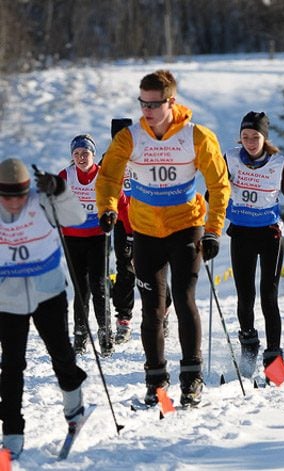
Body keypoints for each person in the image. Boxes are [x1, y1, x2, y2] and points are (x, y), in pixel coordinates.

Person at [96, 69, 230, 407]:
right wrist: (107, 209)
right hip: (145, 232)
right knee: (152, 310)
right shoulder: (129, 137)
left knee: (184, 301)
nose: (147, 110)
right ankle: (155, 379)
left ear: (171, 101)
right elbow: (109, 176)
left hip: (186, 226)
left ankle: (191, 377)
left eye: (153, 104)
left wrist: (213, 230)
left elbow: (219, 185)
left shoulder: (196, 136)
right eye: (142, 103)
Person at [0, 159, 88, 460]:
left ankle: (74, 407)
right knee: (11, 366)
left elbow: (76, 216)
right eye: (6, 197)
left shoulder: (43, 202)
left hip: (48, 291)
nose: (13, 203)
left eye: (19, 196)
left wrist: (60, 189)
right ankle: (11, 433)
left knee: (61, 354)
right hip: (7, 298)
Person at [224, 111, 284, 377]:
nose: (250, 142)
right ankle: (249, 346)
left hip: (269, 234)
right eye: (246, 137)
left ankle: (273, 356)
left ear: (264, 138)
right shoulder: (229, 158)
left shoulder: (278, 163)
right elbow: (215, 189)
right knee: (245, 295)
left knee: (268, 295)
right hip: (241, 232)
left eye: (255, 137)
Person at [59, 134, 127, 356]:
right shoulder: (66, 176)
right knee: (80, 288)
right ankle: (80, 334)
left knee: (99, 286)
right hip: (72, 237)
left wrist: (129, 233)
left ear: (93, 155)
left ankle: (105, 334)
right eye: (77, 154)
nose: (81, 157)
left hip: (98, 236)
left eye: (85, 153)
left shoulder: (103, 176)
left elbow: (123, 203)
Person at [106, 119, 173, 344]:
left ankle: (163, 310)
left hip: (148, 219)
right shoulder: (109, 159)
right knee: (125, 267)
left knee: (154, 267)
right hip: (121, 222)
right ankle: (123, 318)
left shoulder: (145, 154)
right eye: (117, 137)